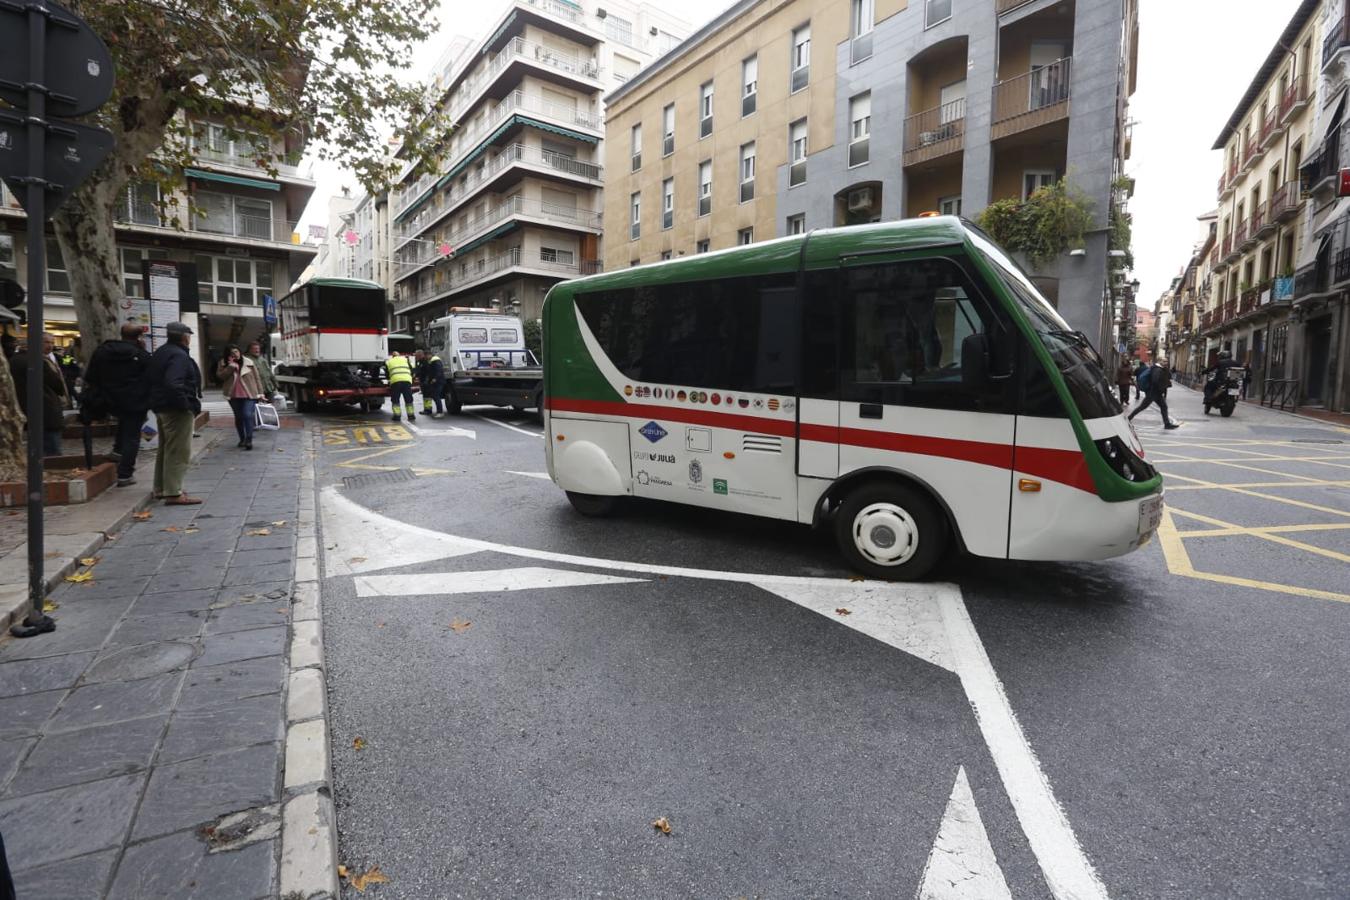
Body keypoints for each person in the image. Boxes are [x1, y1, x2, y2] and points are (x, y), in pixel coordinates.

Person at [84, 324, 152, 487]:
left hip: (109, 399)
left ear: (121, 334)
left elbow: (91, 376)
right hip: (135, 401)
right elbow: (150, 376)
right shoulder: (140, 354)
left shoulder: (103, 351)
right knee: (132, 436)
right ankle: (125, 474)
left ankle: (117, 451)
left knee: (124, 424)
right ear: (139, 337)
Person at [145, 321, 203, 504]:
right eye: (189, 336)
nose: (189, 339)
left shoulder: (162, 352)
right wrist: (185, 405)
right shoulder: (178, 355)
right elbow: (173, 383)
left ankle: (161, 487)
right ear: (185, 337)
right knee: (178, 451)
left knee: (166, 449)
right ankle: (173, 492)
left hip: (162, 406)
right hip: (175, 409)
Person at [9, 332, 69, 456]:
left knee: (38, 447)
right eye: (47, 342)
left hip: (30, 408)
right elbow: (57, 383)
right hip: (45, 408)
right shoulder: (38, 360)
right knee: (52, 450)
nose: (50, 346)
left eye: (52, 342)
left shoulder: (14, 360)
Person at [216, 343, 266, 450]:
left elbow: (257, 379)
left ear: (240, 352)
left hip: (249, 394)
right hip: (233, 395)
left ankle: (249, 440)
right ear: (228, 354)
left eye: (237, 351)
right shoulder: (223, 363)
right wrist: (230, 367)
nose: (235, 354)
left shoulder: (249, 362)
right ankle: (242, 439)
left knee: (247, 415)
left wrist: (261, 393)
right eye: (232, 353)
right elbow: (220, 376)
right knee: (239, 417)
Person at [1128, 356, 1179, 429]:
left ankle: (1167, 424)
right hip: (1152, 393)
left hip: (1156, 393)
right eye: (1164, 361)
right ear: (1159, 361)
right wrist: (1160, 387)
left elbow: (1168, 376)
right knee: (1142, 407)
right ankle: (1129, 418)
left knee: (1163, 406)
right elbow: (1155, 380)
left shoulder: (1161, 369)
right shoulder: (1157, 370)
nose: (1166, 363)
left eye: (1166, 361)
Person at [385, 349, 415, 423]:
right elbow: (412, 368)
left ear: (392, 356)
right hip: (407, 381)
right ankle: (411, 415)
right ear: (399, 355)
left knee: (395, 399)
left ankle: (397, 416)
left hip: (395, 381)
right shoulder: (405, 359)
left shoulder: (389, 361)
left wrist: (389, 379)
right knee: (408, 399)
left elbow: (387, 374)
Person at [415, 348, 446, 418]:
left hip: (437, 382)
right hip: (432, 382)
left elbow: (438, 371)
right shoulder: (430, 361)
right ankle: (432, 410)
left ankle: (439, 412)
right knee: (433, 396)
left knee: (435, 396)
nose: (426, 358)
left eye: (426, 356)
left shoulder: (435, 361)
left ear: (428, 355)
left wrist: (434, 379)